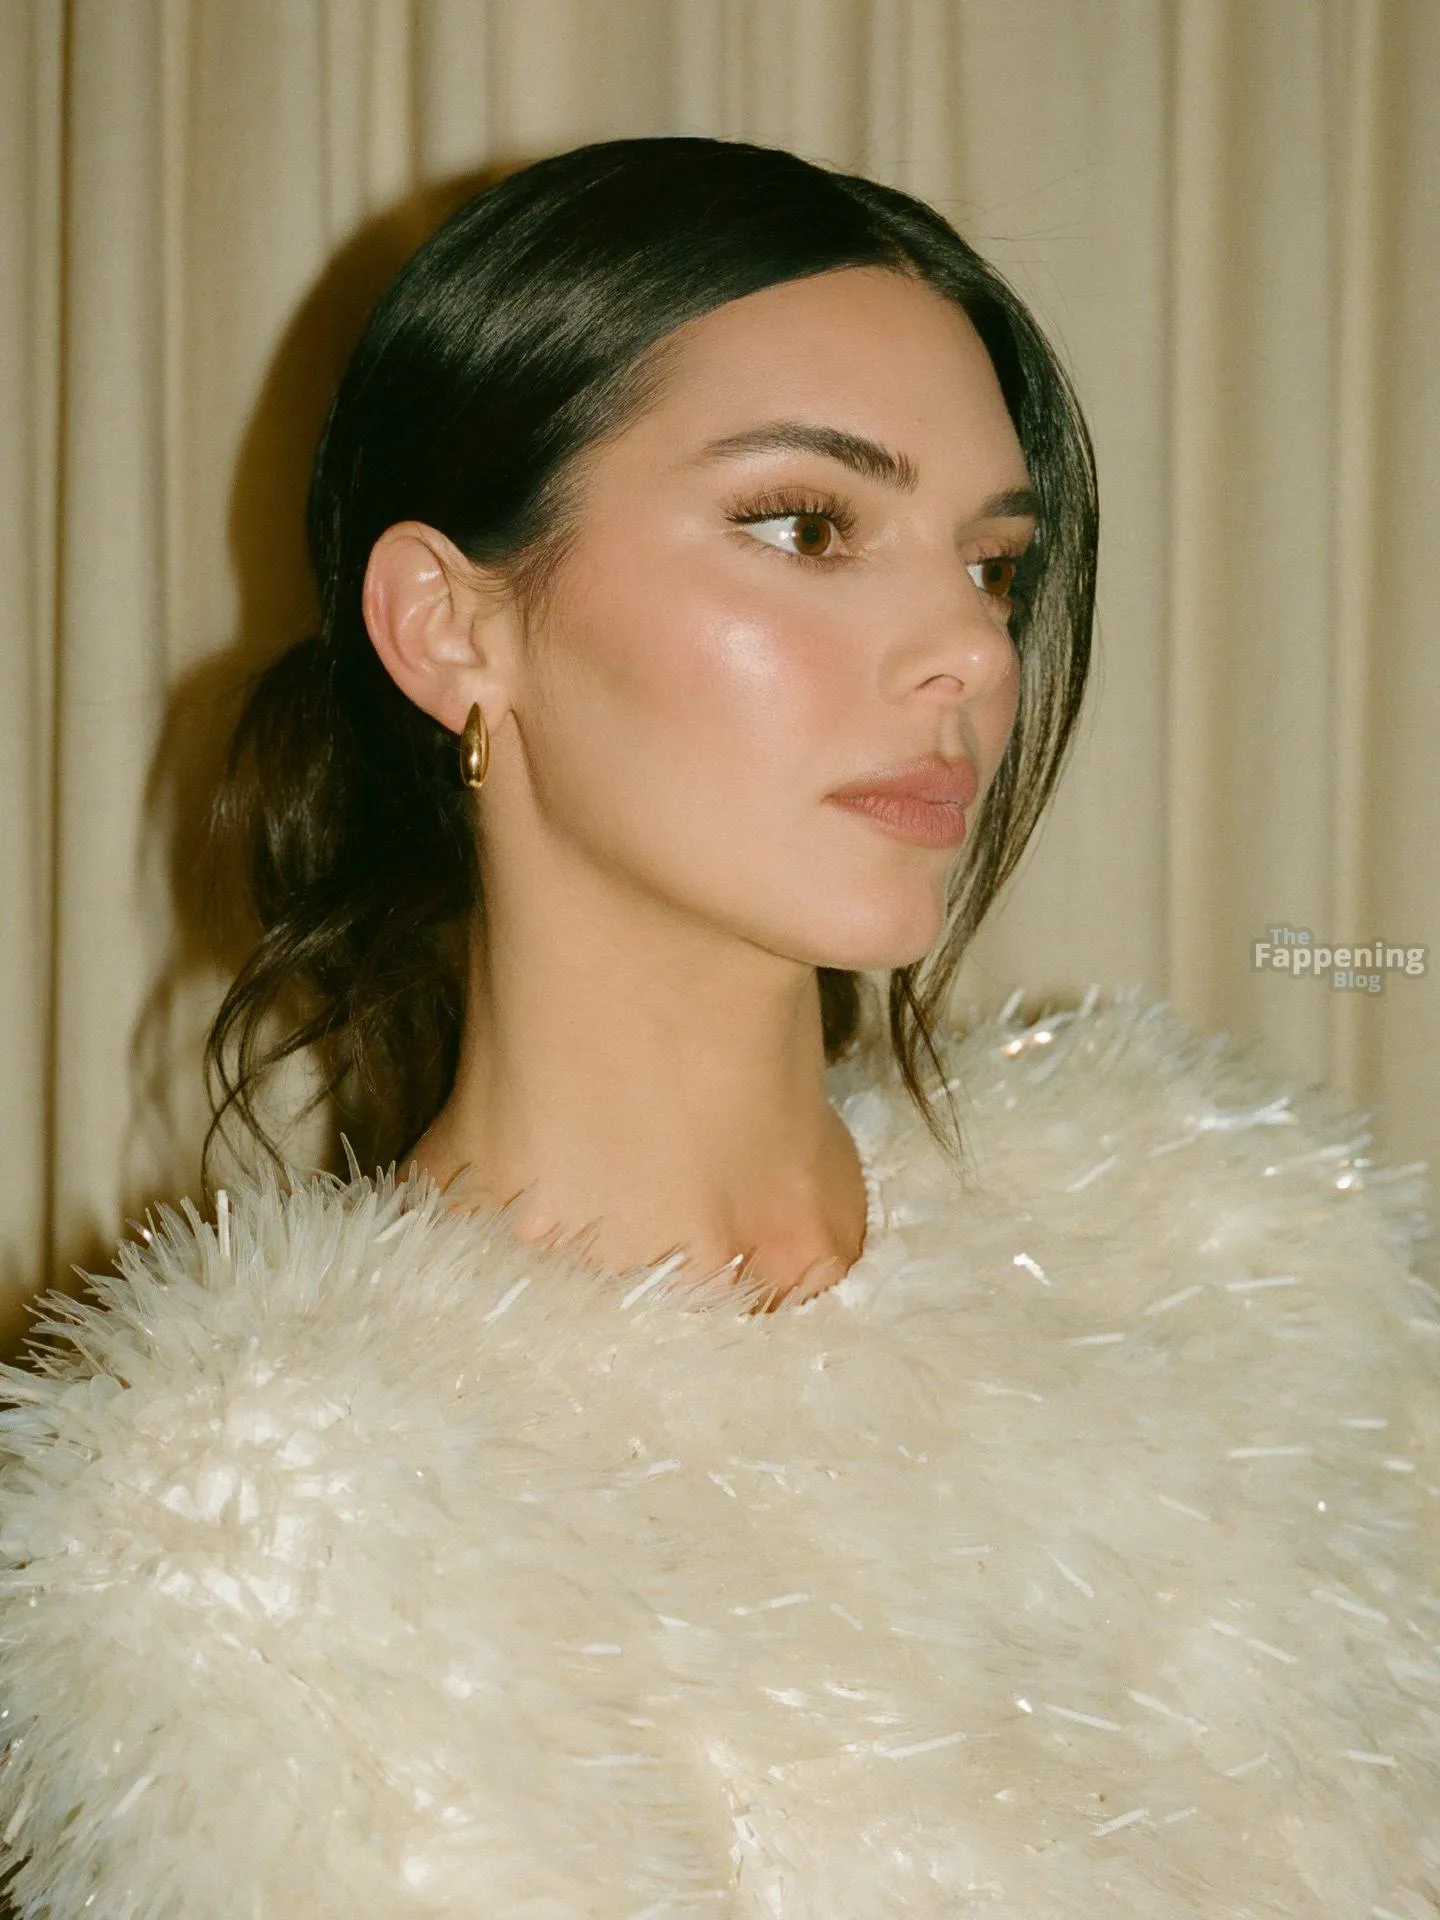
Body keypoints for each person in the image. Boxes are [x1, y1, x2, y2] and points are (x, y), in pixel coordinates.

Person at [0, 135, 1435, 1918]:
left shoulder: (1245, 1274)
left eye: (993, 563)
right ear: (448, 627)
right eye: (807, 526)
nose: (973, 653)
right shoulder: (263, 1541)